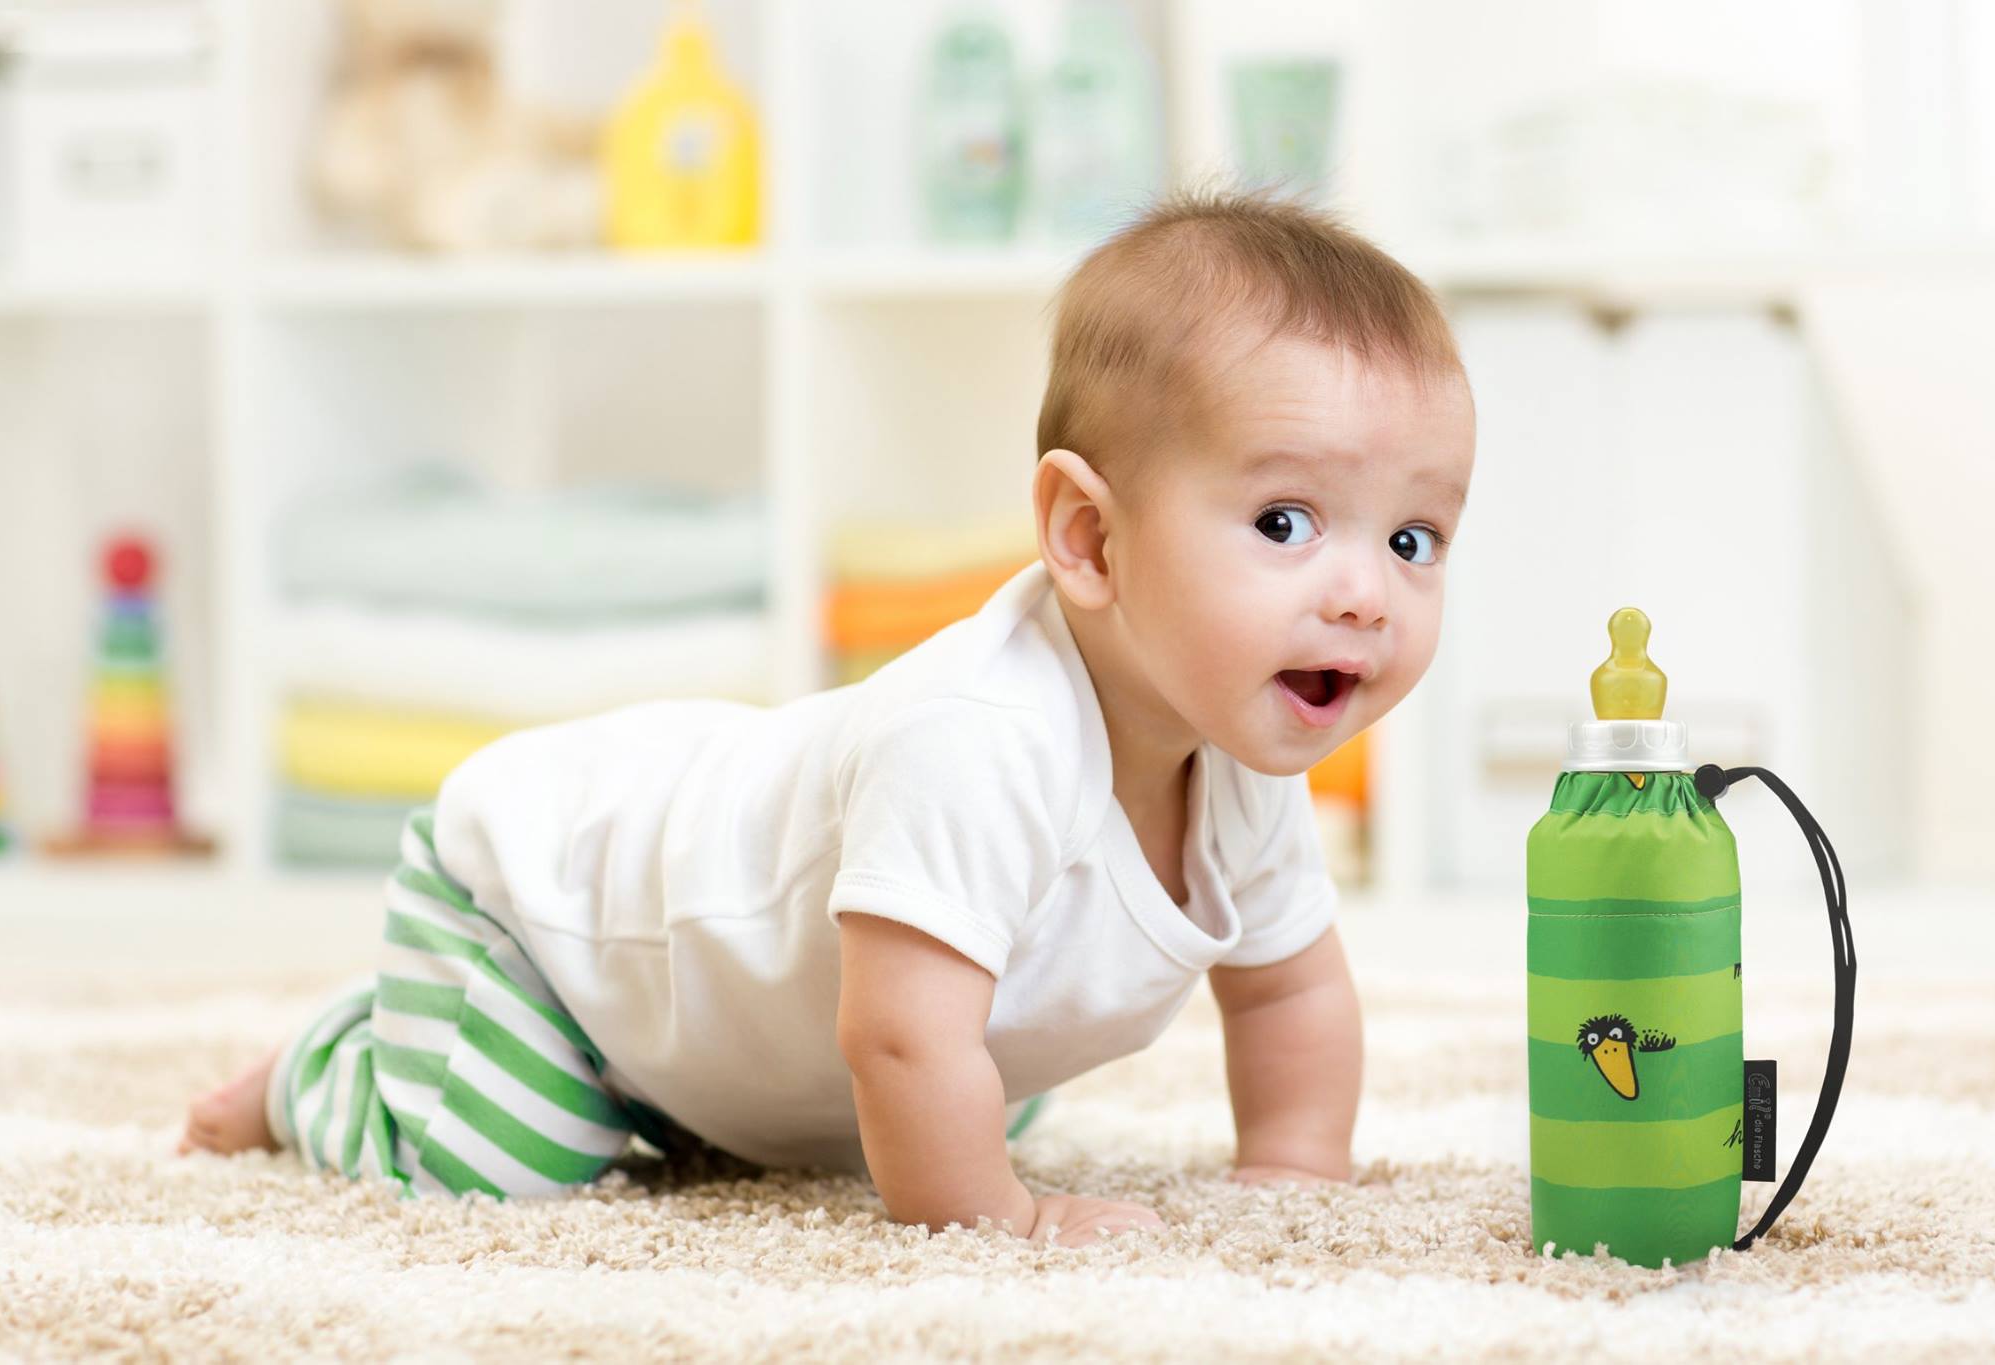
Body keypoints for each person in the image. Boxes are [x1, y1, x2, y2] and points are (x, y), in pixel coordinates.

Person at [179, 187, 1476, 1249]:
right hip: (552, 917)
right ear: (1089, 536)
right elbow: (898, 1035)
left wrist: (1297, 1172)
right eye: (1287, 523)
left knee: (966, 1087)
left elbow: (1290, 990)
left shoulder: (1237, 757)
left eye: (1413, 537)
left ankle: (688, 1102)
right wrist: (998, 1220)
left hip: (747, 1037)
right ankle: (334, 1066)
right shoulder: (977, 737)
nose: (1365, 594)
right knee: (503, 1166)